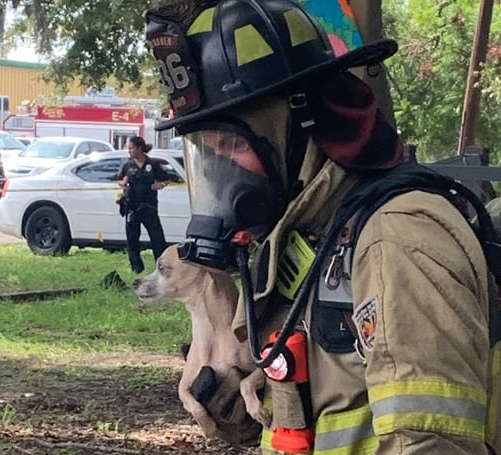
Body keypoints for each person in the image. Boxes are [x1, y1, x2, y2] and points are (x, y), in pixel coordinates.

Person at [144, 1, 501, 454]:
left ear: (295, 126)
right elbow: (339, 404)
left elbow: (431, 442)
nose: (220, 171)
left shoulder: (395, 241)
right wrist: (246, 392)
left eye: (232, 143)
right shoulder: (314, 237)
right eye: (208, 151)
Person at [117, 136, 170, 273]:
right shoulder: (127, 165)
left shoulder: (153, 164)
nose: (129, 151)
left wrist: (161, 184)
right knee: (132, 239)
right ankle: (136, 268)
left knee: (157, 238)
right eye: (128, 148)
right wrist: (123, 182)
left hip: (149, 206)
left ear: (140, 148)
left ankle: (162, 267)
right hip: (132, 206)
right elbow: (119, 180)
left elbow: (167, 179)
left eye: (131, 148)